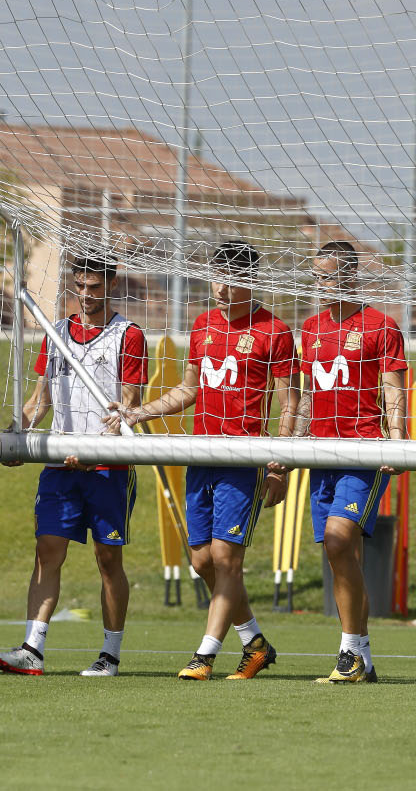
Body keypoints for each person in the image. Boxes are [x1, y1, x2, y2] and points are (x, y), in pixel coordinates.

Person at [108, 240, 298, 680]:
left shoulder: (274, 331)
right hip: (201, 454)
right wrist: (140, 411)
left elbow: (292, 401)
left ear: (250, 282)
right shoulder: (203, 325)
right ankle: (254, 642)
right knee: (201, 561)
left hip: (244, 458)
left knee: (227, 558)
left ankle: (205, 653)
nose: (222, 289)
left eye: (233, 281)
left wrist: (279, 463)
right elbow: (189, 389)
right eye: (218, 278)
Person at [0, 256, 147, 677]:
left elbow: (128, 405)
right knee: (47, 550)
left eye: (95, 286)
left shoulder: (128, 336)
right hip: (60, 467)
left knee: (107, 558)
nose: (87, 295)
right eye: (80, 286)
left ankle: (110, 654)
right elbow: (41, 398)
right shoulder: (56, 334)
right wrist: (16, 434)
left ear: (111, 284)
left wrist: (97, 448)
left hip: (107, 468)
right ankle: (32, 648)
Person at [296, 241, 406, 684]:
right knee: (342, 555)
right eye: (317, 277)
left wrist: (397, 445)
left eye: (330, 276)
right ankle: (362, 656)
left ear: (351, 277)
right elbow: (306, 395)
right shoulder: (310, 328)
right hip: (320, 453)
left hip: (363, 450)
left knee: (339, 540)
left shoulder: (381, 325)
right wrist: (290, 449)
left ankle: (349, 652)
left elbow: (394, 391)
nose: (323, 285)